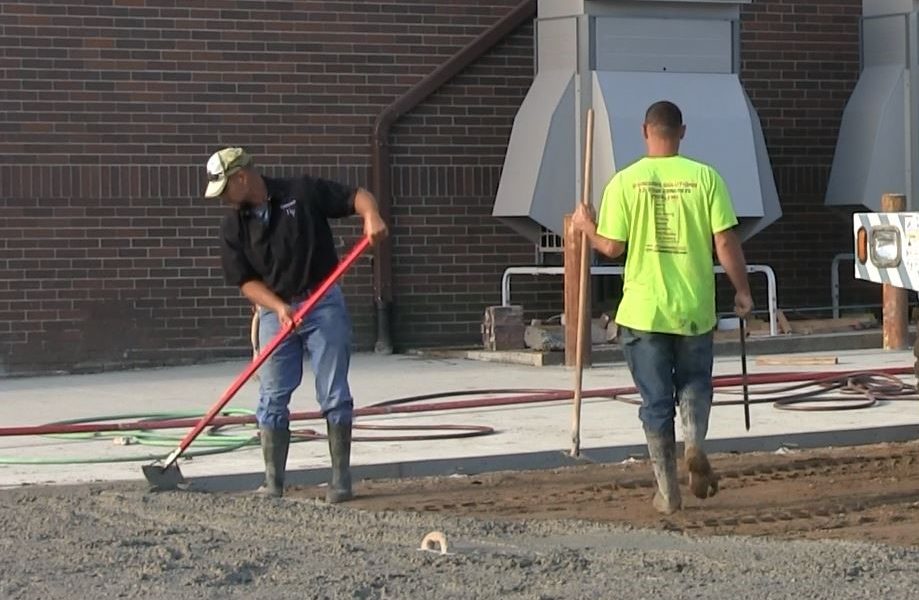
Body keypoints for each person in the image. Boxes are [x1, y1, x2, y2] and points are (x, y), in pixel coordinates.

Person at [572, 101, 754, 515]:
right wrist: (742, 291)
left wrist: (586, 228)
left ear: (644, 131)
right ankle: (693, 443)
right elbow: (725, 243)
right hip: (693, 305)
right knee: (694, 384)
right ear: (682, 132)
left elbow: (613, 248)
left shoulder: (624, 182)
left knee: (655, 402)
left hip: (643, 311)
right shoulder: (706, 178)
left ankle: (667, 490)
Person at [203, 146, 388, 502]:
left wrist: (372, 216)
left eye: (225, 188)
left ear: (242, 177)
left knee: (333, 390)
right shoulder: (233, 226)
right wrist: (279, 308)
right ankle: (272, 483)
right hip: (276, 310)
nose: (223, 198)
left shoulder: (300, 193)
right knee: (271, 395)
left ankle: (340, 480)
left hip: (322, 302)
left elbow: (357, 197)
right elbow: (245, 281)